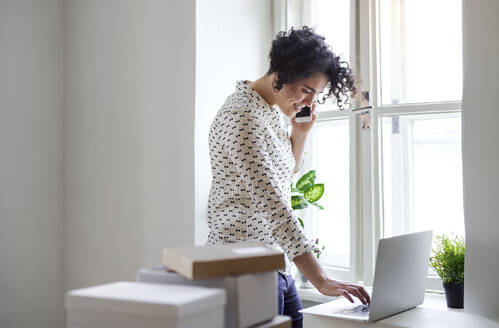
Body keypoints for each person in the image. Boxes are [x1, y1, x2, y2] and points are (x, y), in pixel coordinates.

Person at [206, 26, 370, 327]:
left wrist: (299, 134)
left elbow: (281, 176)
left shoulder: (266, 110)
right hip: (242, 268)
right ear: (283, 72)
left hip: (274, 264)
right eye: (306, 90)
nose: (308, 102)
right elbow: (275, 207)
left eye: (315, 94)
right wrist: (320, 279)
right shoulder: (241, 117)